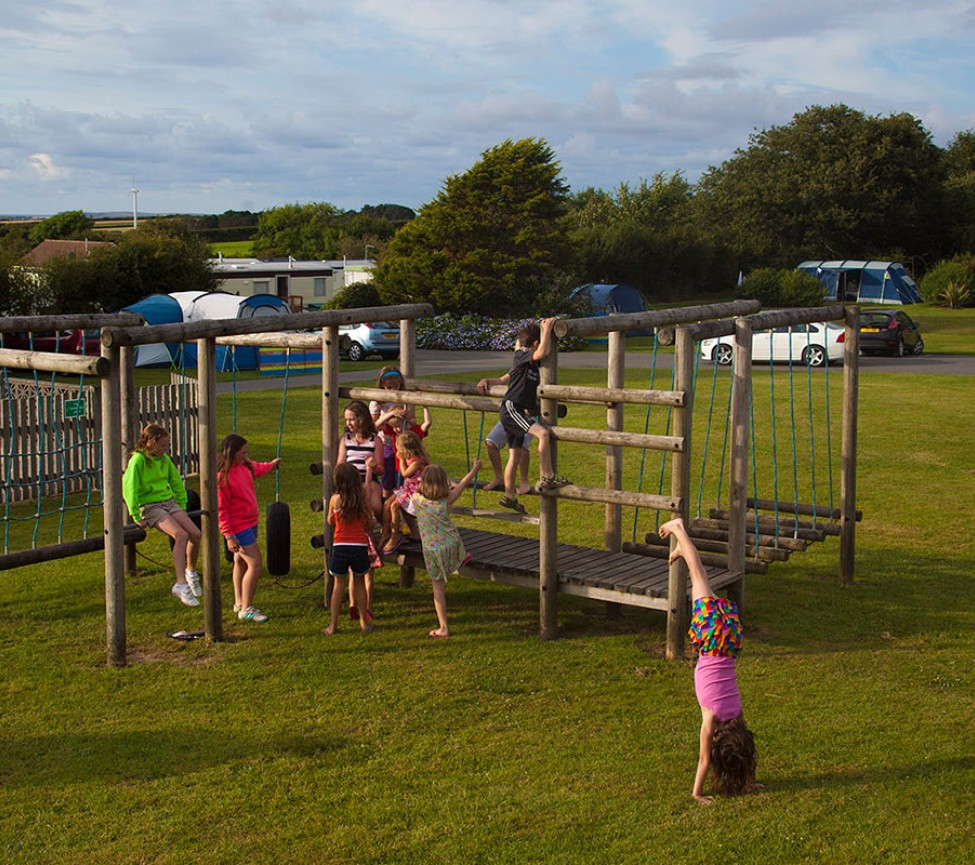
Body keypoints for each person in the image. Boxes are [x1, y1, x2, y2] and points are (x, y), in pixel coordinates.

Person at [658, 517, 761, 803]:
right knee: (696, 571)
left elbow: (741, 749)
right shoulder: (711, 718)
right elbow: (704, 761)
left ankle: (681, 546)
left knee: (698, 572)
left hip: (729, 637)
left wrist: (748, 783)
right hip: (711, 636)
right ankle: (678, 528)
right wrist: (697, 794)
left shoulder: (737, 713)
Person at [476, 317, 569, 514]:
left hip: (516, 409)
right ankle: (548, 475)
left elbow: (504, 378)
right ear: (534, 344)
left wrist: (488, 380)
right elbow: (542, 350)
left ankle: (509, 496)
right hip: (512, 408)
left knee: (514, 455)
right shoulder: (522, 354)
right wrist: (547, 329)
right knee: (543, 434)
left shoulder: (529, 364)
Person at [122, 423, 202, 607]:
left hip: (169, 502)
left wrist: (181, 506)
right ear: (149, 442)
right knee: (180, 534)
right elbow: (129, 488)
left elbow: (175, 481)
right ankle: (180, 584)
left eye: (167, 446)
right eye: (162, 445)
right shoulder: (138, 461)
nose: (165, 449)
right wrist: (136, 515)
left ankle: (191, 572)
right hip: (150, 505)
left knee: (195, 533)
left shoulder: (164, 459)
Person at [216, 433, 281, 623]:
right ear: (232, 453)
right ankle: (247, 608)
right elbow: (221, 510)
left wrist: (272, 464)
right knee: (255, 563)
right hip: (238, 526)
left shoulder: (245, 465)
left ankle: (239, 602)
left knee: (241, 562)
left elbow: (257, 468)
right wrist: (229, 536)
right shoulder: (223, 477)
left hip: (250, 521)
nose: (246, 456)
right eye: (243, 453)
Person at [412, 461, 481, 638]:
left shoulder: (416, 499)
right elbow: (462, 485)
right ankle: (461, 557)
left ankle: (444, 627)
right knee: (454, 538)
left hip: (431, 550)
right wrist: (474, 469)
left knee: (438, 588)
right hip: (451, 545)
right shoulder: (446, 500)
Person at [324, 463, 375, 635]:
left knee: (339, 585)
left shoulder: (335, 499)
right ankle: (363, 622)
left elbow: (330, 521)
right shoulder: (362, 499)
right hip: (359, 546)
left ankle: (333, 625)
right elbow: (370, 523)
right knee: (360, 582)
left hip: (341, 545)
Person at [380, 431, 429, 554]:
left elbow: (404, 473)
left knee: (394, 506)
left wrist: (401, 460)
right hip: (408, 489)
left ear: (406, 450)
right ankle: (411, 533)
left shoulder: (417, 462)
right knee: (389, 504)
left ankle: (394, 536)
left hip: (416, 492)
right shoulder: (414, 457)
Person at [336, 399, 384, 519]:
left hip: (370, 478)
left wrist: (374, 465)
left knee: (375, 506)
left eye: (351, 419)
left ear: (362, 419)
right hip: (350, 479)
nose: (348, 423)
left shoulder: (375, 440)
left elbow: (381, 470)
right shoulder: (345, 439)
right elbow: (340, 464)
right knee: (353, 504)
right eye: (346, 420)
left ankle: (374, 528)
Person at [370, 367, 405, 497]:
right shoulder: (377, 402)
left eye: (396, 386)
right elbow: (374, 426)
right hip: (386, 443)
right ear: (382, 386)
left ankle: (400, 502)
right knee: (388, 473)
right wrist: (390, 415)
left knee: (402, 474)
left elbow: (412, 419)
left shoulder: (403, 397)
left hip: (401, 441)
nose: (393, 390)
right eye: (389, 387)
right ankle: (386, 498)